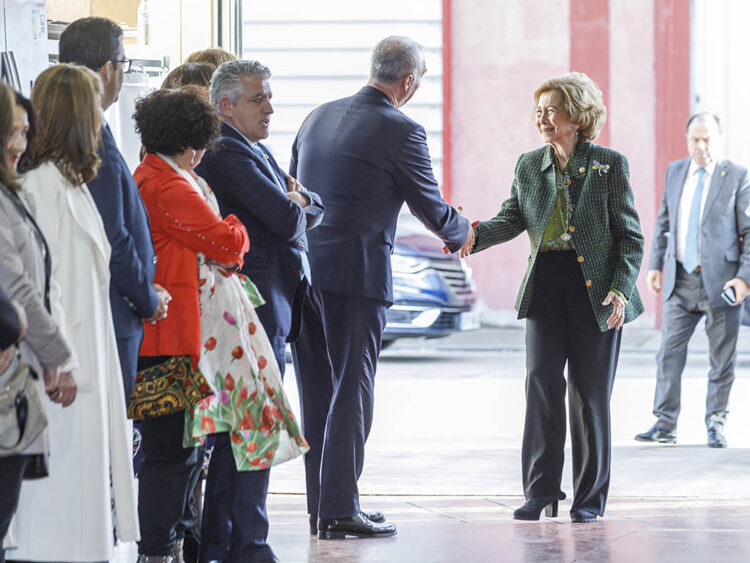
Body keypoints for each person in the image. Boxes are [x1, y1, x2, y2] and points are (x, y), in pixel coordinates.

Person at [290, 36, 471, 539]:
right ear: (408, 81)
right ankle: (341, 509)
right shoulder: (402, 130)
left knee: (316, 393)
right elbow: (429, 206)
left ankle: (319, 508)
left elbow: (293, 193)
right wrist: (465, 233)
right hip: (356, 276)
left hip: (306, 274)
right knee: (353, 390)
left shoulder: (316, 117)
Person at [467, 72, 644, 523]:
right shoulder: (529, 165)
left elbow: (630, 237)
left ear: (578, 116)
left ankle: (588, 501)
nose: (543, 118)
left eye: (553, 110)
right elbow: (511, 219)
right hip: (546, 283)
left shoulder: (609, 164)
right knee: (541, 385)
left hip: (598, 291)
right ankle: (540, 491)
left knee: (589, 396)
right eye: (539, 110)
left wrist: (621, 289)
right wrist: (469, 234)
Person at [9, 64, 138, 561]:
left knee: (80, 500)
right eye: (94, 109)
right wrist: (58, 361)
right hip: (59, 373)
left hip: (83, 363)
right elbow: (37, 285)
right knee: (55, 508)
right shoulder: (41, 185)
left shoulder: (71, 183)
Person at [195, 59, 322, 557]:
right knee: (251, 429)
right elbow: (288, 220)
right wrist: (298, 205)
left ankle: (228, 541)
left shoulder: (255, 149)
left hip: (268, 310)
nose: (270, 107)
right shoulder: (228, 154)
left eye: (269, 96)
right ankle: (245, 543)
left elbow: (310, 204)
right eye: (258, 99)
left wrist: (299, 202)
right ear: (226, 106)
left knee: (245, 431)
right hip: (252, 314)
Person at [59, 17, 169, 404]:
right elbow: (113, 235)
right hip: (111, 313)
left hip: (104, 310)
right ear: (108, 70)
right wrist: (146, 299)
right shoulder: (91, 139)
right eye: (125, 65)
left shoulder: (78, 131)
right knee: (109, 446)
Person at [635, 113, 750, 448]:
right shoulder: (676, 171)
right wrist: (655, 265)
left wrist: (743, 279)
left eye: (707, 139)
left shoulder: (738, 176)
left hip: (721, 284)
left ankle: (716, 424)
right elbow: (664, 221)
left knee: (721, 359)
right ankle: (664, 423)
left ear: (719, 139)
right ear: (687, 140)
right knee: (668, 354)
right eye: (694, 139)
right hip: (679, 281)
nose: (700, 146)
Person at [0, 83, 76, 562]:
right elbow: (17, 287)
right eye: (9, 131)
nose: (18, 144)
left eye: (24, 132)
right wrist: (58, 355)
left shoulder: (12, 193)